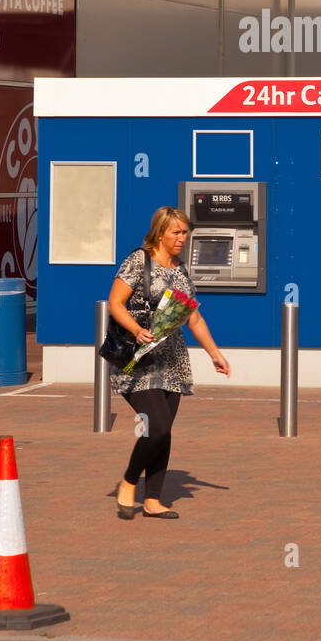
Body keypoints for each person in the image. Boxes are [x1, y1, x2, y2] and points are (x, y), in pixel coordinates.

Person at [107, 205, 231, 519]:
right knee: (157, 428)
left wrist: (215, 354)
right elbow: (115, 303)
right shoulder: (138, 261)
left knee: (165, 430)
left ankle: (153, 500)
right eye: (176, 232)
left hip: (173, 360)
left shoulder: (180, 269)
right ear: (160, 232)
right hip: (137, 358)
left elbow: (194, 318)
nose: (182, 238)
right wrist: (136, 329)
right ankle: (128, 482)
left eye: (185, 232)